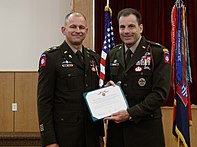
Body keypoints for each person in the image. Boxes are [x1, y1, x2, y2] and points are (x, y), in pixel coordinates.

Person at [104, 8, 171, 147]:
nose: (126, 31)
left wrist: (129, 114)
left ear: (140, 28)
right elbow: (109, 85)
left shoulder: (157, 53)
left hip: (146, 132)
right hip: (118, 134)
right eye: (122, 27)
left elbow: (160, 94)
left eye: (131, 26)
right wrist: (106, 92)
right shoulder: (113, 54)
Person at [37, 12, 104, 147]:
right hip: (64, 135)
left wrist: (99, 134)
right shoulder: (51, 58)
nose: (77, 31)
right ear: (64, 30)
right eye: (73, 27)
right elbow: (44, 101)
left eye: (81, 27)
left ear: (86, 31)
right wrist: (49, 139)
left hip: (90, 135)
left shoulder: (94, 58)